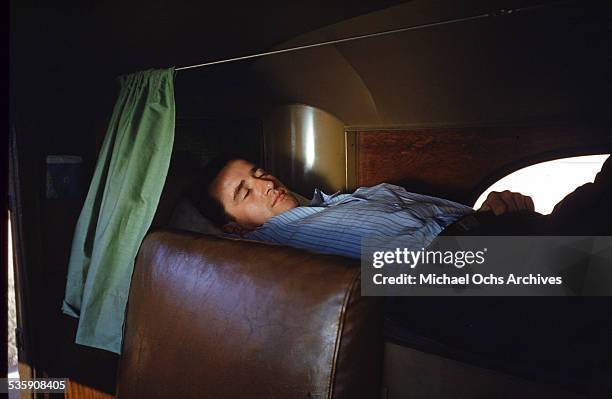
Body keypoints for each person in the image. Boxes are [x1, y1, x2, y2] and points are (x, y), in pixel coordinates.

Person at [187, 156, 611, 258]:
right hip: (486, 266)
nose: (264, 183)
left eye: (257, 172)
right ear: (237, 229)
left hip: (506, 239)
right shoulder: (292, 238)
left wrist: (497, 209)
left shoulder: (345, 198)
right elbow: (429, 269)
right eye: (244, 192)